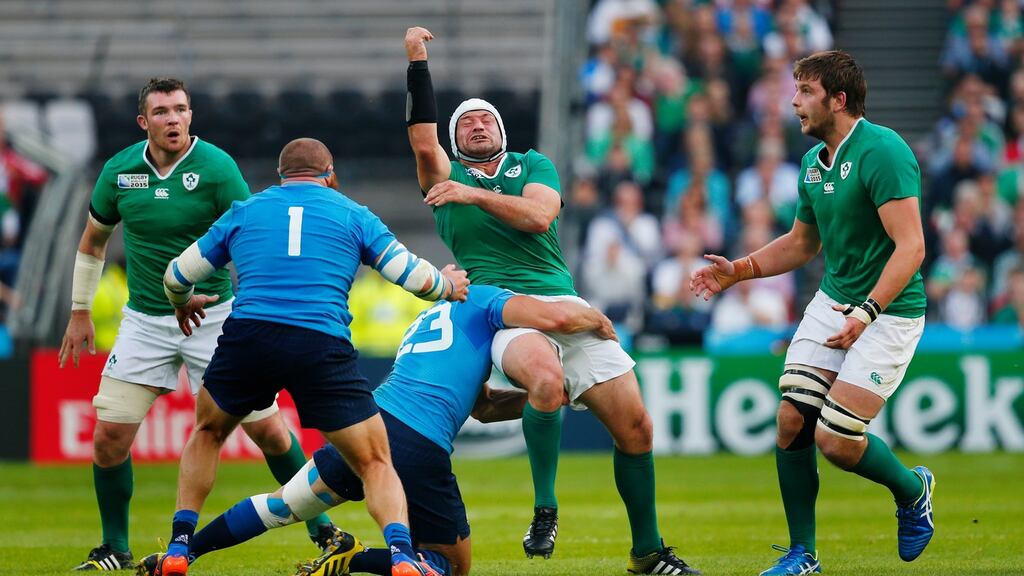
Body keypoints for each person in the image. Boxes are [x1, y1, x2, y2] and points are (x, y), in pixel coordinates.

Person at [403, 26, 699, 575]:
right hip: (499, 304)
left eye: (485, 118)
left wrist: (473, 193)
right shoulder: (441, 178)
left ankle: (648, 553)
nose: (476, 124)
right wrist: (417, 61)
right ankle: (545, 508)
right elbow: (423, 139)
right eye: (464, 122)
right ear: (453, 139)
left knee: (636, 429)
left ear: (502, 130)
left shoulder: (531, 165)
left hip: (560, 296)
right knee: (543, 379)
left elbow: (539, 216)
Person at [137, 285, 618, 576]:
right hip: (418, 442)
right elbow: (554, 316)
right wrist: (594, 318)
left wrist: (550, 398)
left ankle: (183, 553)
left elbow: (486, 409)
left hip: (368, 423)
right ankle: (353, 561)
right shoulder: (490, 302)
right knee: (453, 565)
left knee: (283, 504)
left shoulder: (429, 318)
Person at [153, 137, 469, 576]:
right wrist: (447, 285)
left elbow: (176, 274)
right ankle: (400, 555)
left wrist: (183, 301)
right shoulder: (354, 214)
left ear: (281, 176)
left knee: (207, 431)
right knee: (375, 461)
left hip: (250, 337)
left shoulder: (246, 211)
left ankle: (178, 547)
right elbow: (412, 276)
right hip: (319, 342)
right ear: (330, 174)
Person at [57, 78, 338, 571]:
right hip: (145, 320)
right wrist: (80, 310)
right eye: (162, 111)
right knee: (107, 439)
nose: (173, 119)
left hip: (215, 319)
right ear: (143, 122)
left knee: (269, 432)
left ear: (191, 116)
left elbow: (252, 236)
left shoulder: (216, 168)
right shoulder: (120, 171)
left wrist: (254, 308)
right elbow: (93, 242)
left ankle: (325, 530)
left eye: (181, 110)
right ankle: (114, 548)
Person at [689, 51, 936, 575]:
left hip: (889, 312)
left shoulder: (883, 150)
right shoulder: (810, 163)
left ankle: (913, 490)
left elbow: (911, 247)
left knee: (836, 441)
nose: (793, 102)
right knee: (790, 419)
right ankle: (804, 555)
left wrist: (868, 311)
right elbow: (803, 243)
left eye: (804, 91)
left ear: (838, 99)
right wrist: (741, 268)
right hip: (833, 302)